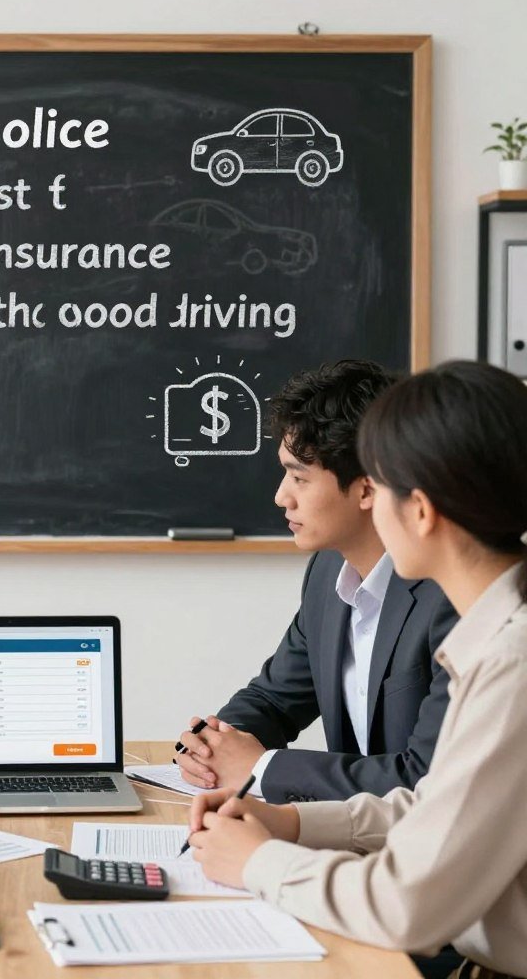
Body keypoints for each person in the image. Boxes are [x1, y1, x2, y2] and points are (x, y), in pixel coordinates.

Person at [189, 360, 527, 979]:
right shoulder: (498, 635)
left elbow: (410, 905)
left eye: (384, 486)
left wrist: (258, 862)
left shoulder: (513, 662)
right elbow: (434, 808)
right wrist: (291, 822)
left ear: (417, 511)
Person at [175, 360, 458, 803]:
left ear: (367, 489)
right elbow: (274, 699)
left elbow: (428, 779)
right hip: (353, 839)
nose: (280, 496)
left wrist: (258, 767)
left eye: (299, 477)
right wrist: (215, 743)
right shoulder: (328, 572)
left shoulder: (452, 596)